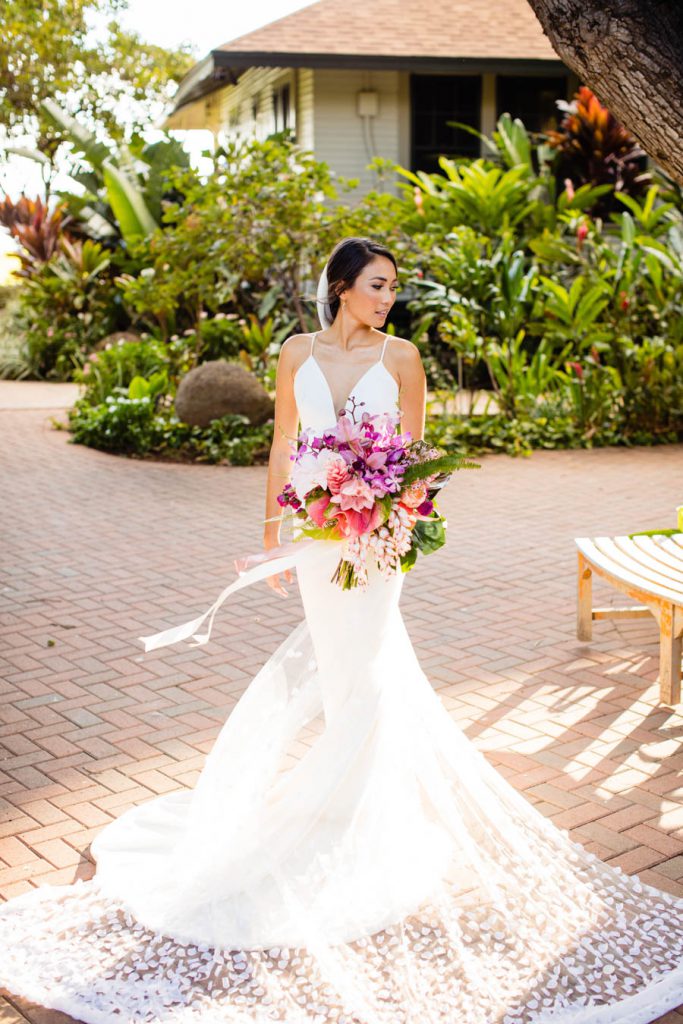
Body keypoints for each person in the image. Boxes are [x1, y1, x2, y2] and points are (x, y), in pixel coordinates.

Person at [0, 235, 682, 1023]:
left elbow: (416, 453)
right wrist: (272, 532)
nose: (387, 297)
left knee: (368, 672)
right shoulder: (296, 353)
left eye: (393, 286)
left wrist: (400, 513)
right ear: (339, 287)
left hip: (377, 543)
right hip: (316, 539)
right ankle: (347, 808)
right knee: (343, 668)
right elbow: (286, 441)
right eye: (375, 284)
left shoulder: (403, 358)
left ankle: (358, 815)